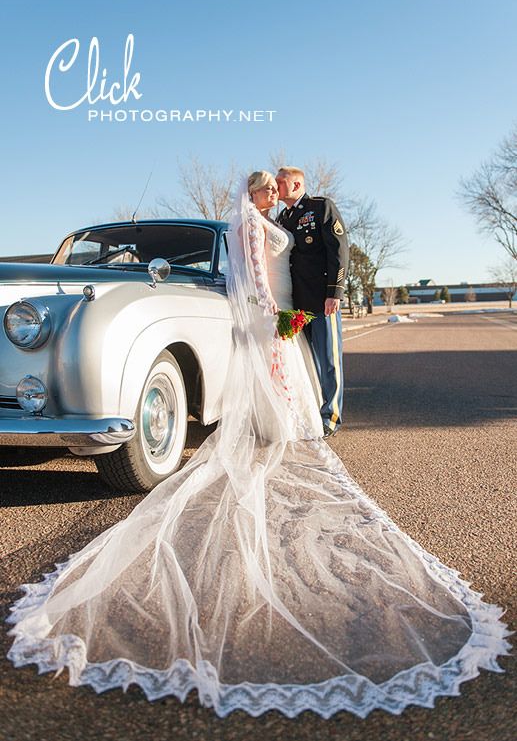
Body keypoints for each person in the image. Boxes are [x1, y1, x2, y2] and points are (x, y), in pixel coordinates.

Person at [7, 172, 510, 720]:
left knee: (317, 365)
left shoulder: (276, 223)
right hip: (259, 303)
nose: (276, 194)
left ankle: (322, 410)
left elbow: (290, 258)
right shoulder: (257, 222)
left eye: (280, 187)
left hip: (269, 303)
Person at [276, 167, 349, 438]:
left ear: (296, 184)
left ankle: (331, 415)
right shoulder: (283, 217)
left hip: (321, 299)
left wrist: (335, 292)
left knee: (329, 360)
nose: (276, 186)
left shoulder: (321, 207)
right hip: (295, 303)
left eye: (280, 182)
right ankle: (311, 411)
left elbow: (339, 251)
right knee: (305, 362)